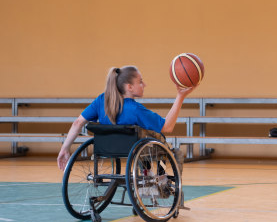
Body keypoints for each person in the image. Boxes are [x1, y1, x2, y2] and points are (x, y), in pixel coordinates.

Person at [57, 65, 194, 170]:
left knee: (143, 140)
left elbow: (78, 122)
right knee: (160, 141)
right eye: (140, 81)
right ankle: (160, 177)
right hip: (133, 149)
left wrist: (65, 148)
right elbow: (167, 127)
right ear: (129, 87)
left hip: (106, 148)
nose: (144, 84)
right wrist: (180, 97)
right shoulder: (135, 109)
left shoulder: (101, 101)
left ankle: (146, 172)